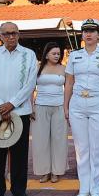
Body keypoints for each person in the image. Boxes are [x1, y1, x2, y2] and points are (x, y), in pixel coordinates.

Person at [0, 22, 38, 196]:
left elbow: (30, 83)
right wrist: (0, 105)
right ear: (0, 35)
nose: (10, 36)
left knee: (19, 153)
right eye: (6, 34)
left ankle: (19, 190)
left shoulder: (28, 55)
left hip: (20, 110)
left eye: (13, 33)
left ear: (19, 34)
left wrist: (12, 104)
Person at [65, 19, 99, 196]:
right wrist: (66, 106)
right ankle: (83, 189)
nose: (89, 34)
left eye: (92, 31)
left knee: (97, 148)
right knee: (81, 148)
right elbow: (69, 82)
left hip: (98, 102)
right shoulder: (74, 56)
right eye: (85, 31)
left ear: (98, 35)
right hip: (78, 103)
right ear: (82, 34)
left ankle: (96, 190)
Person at [32, 42, 68, 183]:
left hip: (59, 107)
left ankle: (56, 172)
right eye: (54, 53)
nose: (56, 56)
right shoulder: (37, 68)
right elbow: (30, 88)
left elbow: (69, 89)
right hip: (40, 107)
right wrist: (31, 107)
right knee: (41, 141)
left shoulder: (64, 69)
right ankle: (44, 172)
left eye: (58, 53)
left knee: (59, 140)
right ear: (46, 54)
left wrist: (67, 108)